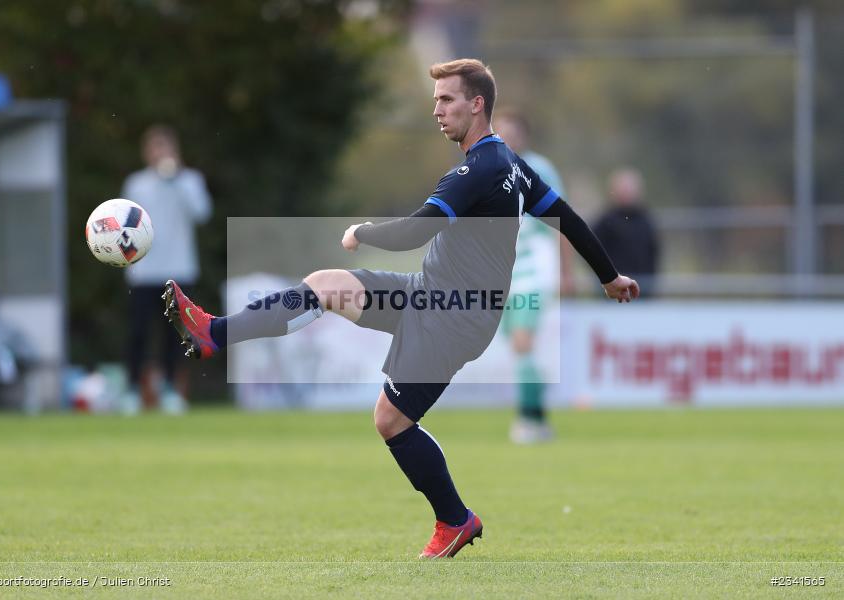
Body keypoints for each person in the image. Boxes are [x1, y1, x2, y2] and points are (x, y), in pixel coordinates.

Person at [163, 59, 638, 558]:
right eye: (435, 100)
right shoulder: (511, 164)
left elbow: (417, 230)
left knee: (391, 421)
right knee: (325, 286)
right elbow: (568, 218)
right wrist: (610, 277)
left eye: (447, 100)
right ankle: (213, 332)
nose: (437, 110)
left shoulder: (478, 170)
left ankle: (455, 520)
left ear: (477, 104)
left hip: (453, 316)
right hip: (430, 294)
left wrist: (361, 232)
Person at [120, 125, 212, 414]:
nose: (160, 154)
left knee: (177, 335)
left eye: (165, 148)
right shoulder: (136, 184)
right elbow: (123, 226)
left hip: (179, 271)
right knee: (138, 333)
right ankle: (133, 391)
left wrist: (176, 179)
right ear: (146, 153)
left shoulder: (190, 181)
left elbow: (201, 212)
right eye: (155, 148)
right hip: (143, 272)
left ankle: (173, 390)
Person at [494, 108, 567, 444]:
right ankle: (538, 418)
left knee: (523, 341)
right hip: (506, 274)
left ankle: (528, 420)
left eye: (512, 131)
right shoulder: (490, 170)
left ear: (523, 135)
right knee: (520, 348)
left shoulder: (539, 169)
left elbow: (562, 222)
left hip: (535, 268)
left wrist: (567, 271)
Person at [592, 168, 660, 297]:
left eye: (629, 189)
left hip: (642, 289)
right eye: (623, 189)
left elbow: (654, 252)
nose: (627, 193)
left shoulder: (646, 220)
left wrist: (651, 283)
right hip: (613, 290)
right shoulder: (605, 221)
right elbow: (592, 251)